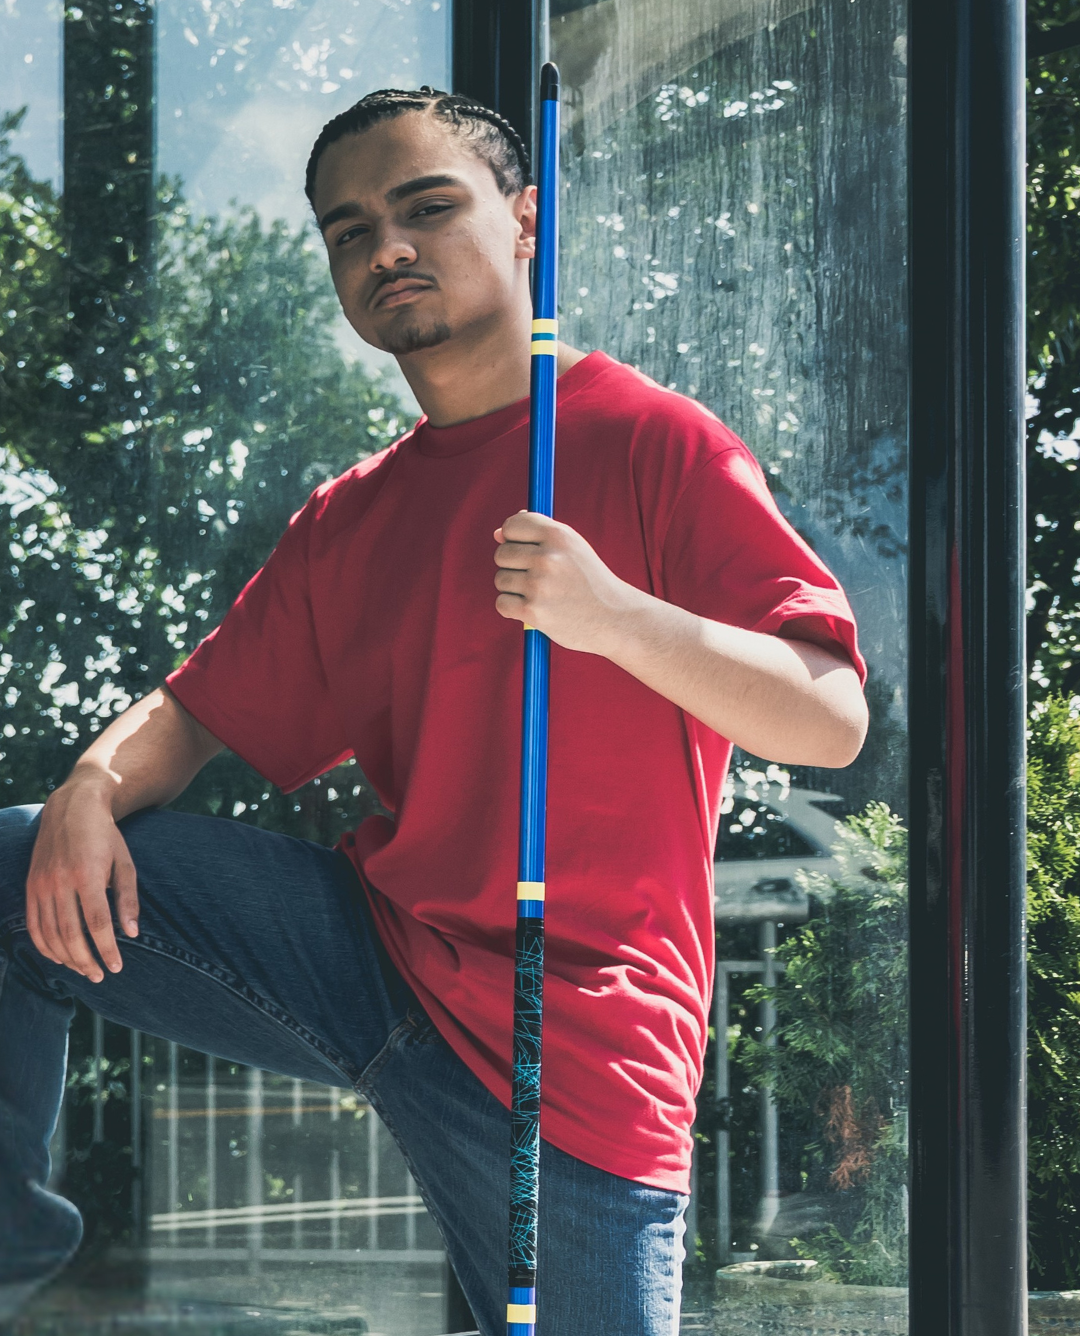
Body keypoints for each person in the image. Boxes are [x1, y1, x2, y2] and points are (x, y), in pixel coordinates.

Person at [0, 88, 868, 1334]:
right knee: (16, 864)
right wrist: (88, 787)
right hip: (376, 958)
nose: (387, 248)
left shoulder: (654, 443)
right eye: (350, 231)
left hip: (569, 1045)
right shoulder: (350, 518)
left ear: (525, 222)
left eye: (426, 207)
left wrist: (616, 617)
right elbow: (188, 716)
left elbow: (830, 717)